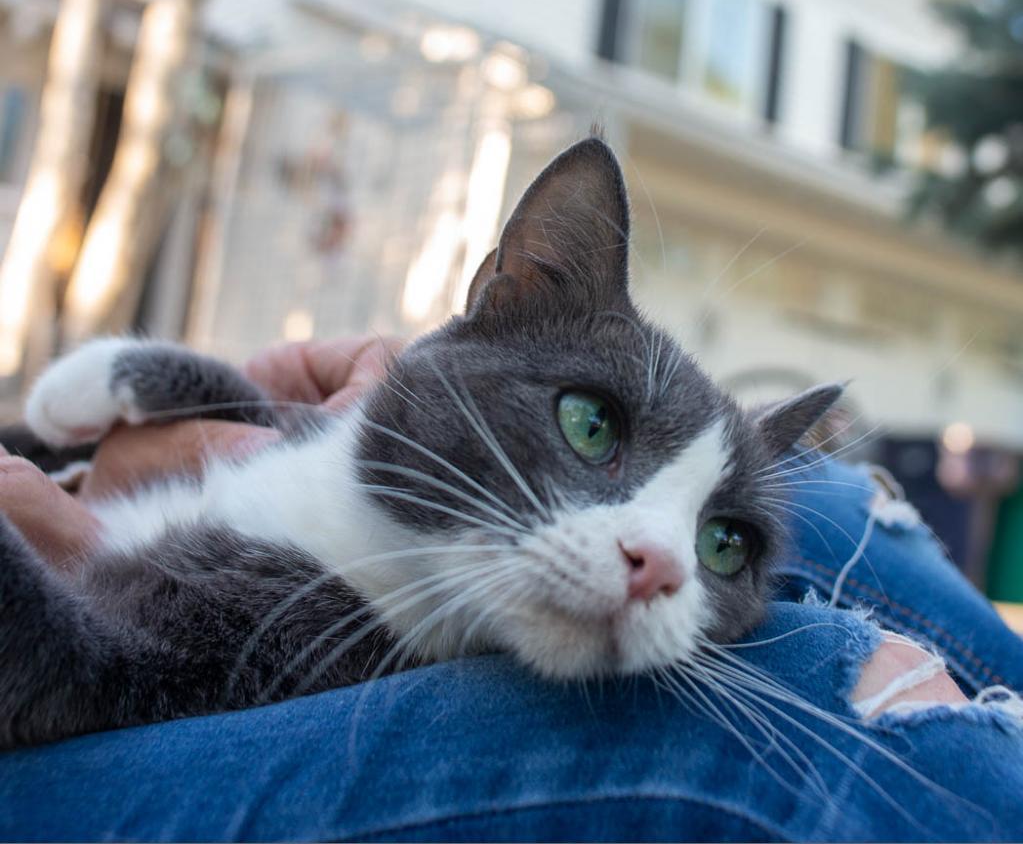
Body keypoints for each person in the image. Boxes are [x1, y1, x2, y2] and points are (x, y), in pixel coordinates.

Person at [0, 338, 1020, 842]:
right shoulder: (305, 611)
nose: (667, 558)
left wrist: (126, 450)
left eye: (723, 543)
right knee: (815, 710)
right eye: (592, 431)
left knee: (825, 500)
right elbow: (65, 679)